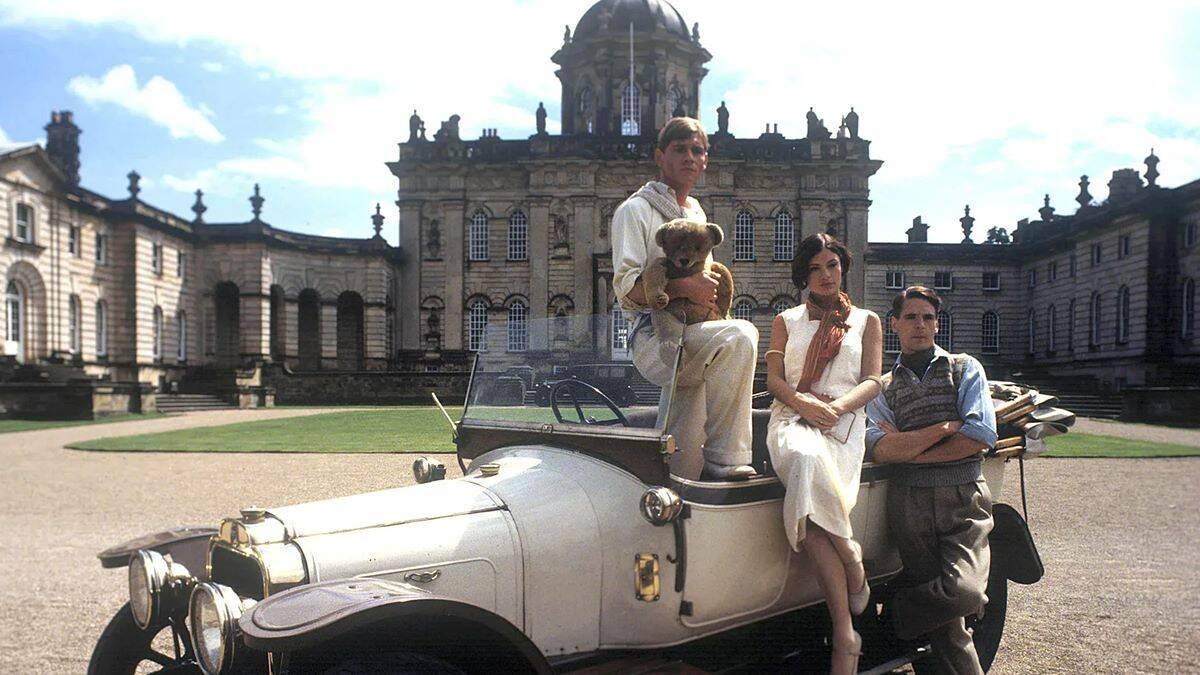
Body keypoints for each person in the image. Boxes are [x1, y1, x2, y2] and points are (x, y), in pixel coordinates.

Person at [611, 117, 758, 480]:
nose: (690, 157)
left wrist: (709, 298)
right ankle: (728, 459)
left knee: (683, 442)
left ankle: (672, 483)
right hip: (654, 336)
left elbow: (703, 275)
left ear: (706, 160)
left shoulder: (696, 213)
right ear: (660, 156)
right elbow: (625, 290)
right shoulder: (635, 210)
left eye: (697, 150)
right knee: (740, 336)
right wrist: (683, 289)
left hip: (695, 331)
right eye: (680, 149)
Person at [764, 233, 883, 675]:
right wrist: (804, 404)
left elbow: (873, 381)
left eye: (832, 265)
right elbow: (775, 381)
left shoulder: (867, 321)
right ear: (804, 275)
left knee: (811, 513)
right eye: (815, 268)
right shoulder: (786, 320)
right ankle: (852, 557)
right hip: (792, 421)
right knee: (805, 461)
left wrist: (835, 408)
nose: (826, 275)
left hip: (843, 426)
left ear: (843, 268)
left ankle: (845, 635)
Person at [865, 286, 998, 675]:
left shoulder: (964, 368)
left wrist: (910, 448)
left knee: (966, 593)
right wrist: (944, 428)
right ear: (894, 324)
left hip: (964, 498)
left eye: (927, 317)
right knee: (949, 630)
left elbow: (980, 435)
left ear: (937, 324)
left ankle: (897, 613)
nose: (919, 325)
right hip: (910, 504)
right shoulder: (882, 387)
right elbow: (880, 449)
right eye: (910, 317)